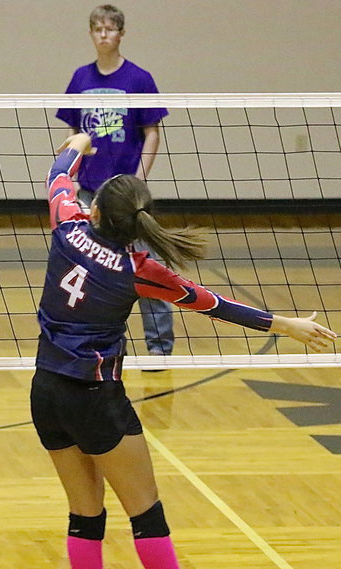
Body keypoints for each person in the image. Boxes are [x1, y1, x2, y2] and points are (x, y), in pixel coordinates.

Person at [32, 133, 337, 569]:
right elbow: (214, 305)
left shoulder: (67, 225)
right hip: (95, 398)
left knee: (85, 513)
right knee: (145, 512)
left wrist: (78, 143)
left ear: (94, 210)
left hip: (44, 392)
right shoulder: (139, 270)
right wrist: (286, 325)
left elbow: (58, 175)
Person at [56, 4, 174, 359]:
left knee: (146, 265)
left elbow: (152, 132)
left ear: (121, 34)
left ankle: (159, 349)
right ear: (91, 34)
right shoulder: (80, 78)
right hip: (91, 192)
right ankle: (96, 343)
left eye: (110, 29)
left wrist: (139, 180)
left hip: (126, 195)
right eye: (97, 29)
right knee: (92, 267)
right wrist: (71, 178)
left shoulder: (139, 79)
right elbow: (74, 133)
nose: (103, 35)